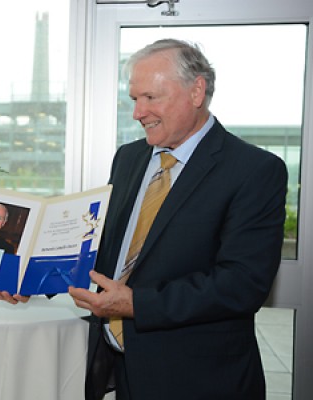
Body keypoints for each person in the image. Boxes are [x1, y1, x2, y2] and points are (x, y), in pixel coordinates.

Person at [67, 39, 288, 400]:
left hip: (200, 379)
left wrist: (137, 304)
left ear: (196, 90)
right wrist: (31, 280)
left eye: (151, 98)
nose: (138, 112)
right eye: (135, 99)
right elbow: (107, 250)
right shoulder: (128, 158)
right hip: (124, 371)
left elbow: (243, 283)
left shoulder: (255, 170)